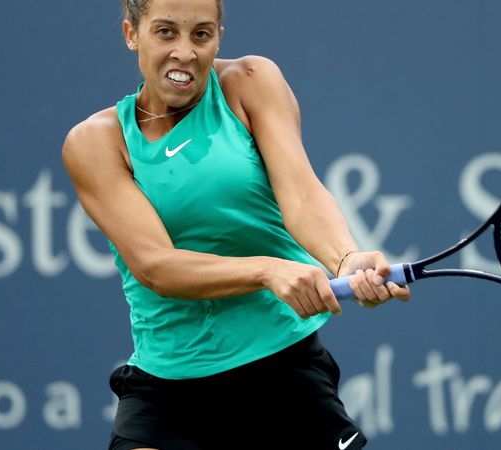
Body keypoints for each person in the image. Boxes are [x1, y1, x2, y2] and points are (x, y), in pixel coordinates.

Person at [61, 0, 410, 448]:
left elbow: (301, 194)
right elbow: (155, 265)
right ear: (132, 34)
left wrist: (345, 257)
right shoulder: (95, 142)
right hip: (166, 389)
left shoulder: (250, 83)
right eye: (166, 32)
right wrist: (268, 270)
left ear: (219, 37)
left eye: (201, 34)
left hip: (282, 372)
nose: (184, 52)